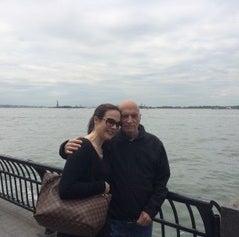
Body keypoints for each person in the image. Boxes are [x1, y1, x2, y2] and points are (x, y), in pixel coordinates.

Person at [59, 100, 170, 237]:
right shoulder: (109, 141)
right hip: (111, 220)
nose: (129, 120)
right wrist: (65, 148)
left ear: (140, 117)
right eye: (125, 116)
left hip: (142, 221)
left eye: (134, 116)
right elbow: (89, 151)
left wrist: (151, 210)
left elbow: (162, 181)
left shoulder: (155, 144)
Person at [57, 103, 121, 237]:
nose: (114, 127)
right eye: (110, 121)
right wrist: (101, 186)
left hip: (94, 222)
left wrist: (63, 149)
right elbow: (65, 189)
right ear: (96, 120)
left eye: (117, 124)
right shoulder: (82, 146)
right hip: (77, 225)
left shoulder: (106, 147)